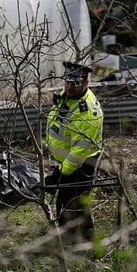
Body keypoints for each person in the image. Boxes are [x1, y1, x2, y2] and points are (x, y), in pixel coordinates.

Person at [43, 61, 104, 241]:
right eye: (67, 82)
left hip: (82, 164)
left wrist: (60, 174)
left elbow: (79, 152)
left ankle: (67, 242)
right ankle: (86, 238)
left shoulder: (87, 114)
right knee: (76, 205)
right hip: (69, 161)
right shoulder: (68, 95)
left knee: (67, 204)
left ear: (85, 83)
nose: (69, 86)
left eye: (75, 83)